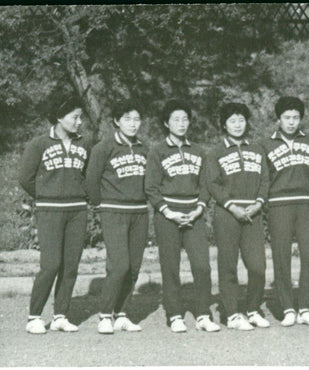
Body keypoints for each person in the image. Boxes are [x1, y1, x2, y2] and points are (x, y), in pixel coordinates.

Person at [145, 99, 220, 333]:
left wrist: (199, 208)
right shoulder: (157, 151)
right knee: (171, 267)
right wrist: (168, 212)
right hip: (168, 215)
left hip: (194, 214)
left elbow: (206, 185)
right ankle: (175, 314)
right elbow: (151, 188)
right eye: (175, 119)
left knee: (202, 267)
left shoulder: (198, 151)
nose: (181, 124)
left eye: (185, 119)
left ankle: (203, 314)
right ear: (166, 123)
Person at [19, 91, 91, 334]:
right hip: (50, 211)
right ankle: (34, 317)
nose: (79, 122)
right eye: (75, 117)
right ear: (60, 117)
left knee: (71, 265)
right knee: (50, 264)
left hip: (77, 211)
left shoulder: (84, 143)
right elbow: (25, 178)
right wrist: (46, 195)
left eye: (81, 118)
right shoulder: (39, 144)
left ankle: (61, 315)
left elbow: (88, 176)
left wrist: (82, 194)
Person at [85, 100, 149, 334]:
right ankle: (105, 315)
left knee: (133, 267)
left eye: (137, 119)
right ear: (117, 122)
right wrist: (100, 205)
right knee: (119, 265)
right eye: (127, 119)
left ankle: (122, 314)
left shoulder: (144, 148)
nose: (133, 124)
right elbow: (91, 180)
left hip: (139, 213)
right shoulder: (104, 148)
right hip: (113, 211)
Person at [206, 102, 270, 331]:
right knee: (228, 265)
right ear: (224, 124)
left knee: (257, 266)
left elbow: (265, 179)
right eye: (232, 121)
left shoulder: (257, 149)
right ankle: (232, 313)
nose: (237, 125)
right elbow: (212, 184)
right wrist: (231, 206)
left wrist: (258, 203)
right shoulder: (215, 153)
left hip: (253, 212)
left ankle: (252, 309)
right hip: (227, 213)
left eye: (241, 120)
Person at [261, 96, 309, 327]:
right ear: (278, 119)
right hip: (279, 205)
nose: (291, 122)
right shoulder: (266, 144)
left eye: (296, 118)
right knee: (281, 256)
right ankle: (288, 308)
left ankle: (305, 308)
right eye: (287, 118)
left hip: (305, 204)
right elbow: (264, 179)